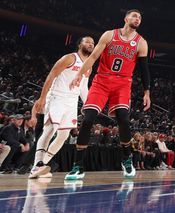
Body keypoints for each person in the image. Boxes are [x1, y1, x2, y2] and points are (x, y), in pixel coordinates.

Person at [64, 9, 151, 181]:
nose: (137, 19)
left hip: (123, 83)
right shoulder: (109, 35)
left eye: (140, 17)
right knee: (88, 120)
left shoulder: (141, 43)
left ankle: (126, 159)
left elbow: (144, 69)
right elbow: (93, 56)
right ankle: (78, 166)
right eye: (134, 16)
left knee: (124, 120)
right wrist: (80, 74)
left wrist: (147, 91)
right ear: (126, 19)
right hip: (102, 81)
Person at [29, 36, 94, 178]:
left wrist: (89, 104)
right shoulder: (69, 58)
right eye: (87, 41)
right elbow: (51, 75)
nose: (90, 44)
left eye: (93, 43)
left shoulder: (89, 65)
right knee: (50, 129)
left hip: (71, 102)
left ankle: (42, 165)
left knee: (63, 136)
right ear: (79, 44)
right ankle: (37, 165)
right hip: (57, 97)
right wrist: (42, 97)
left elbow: (83, 87)